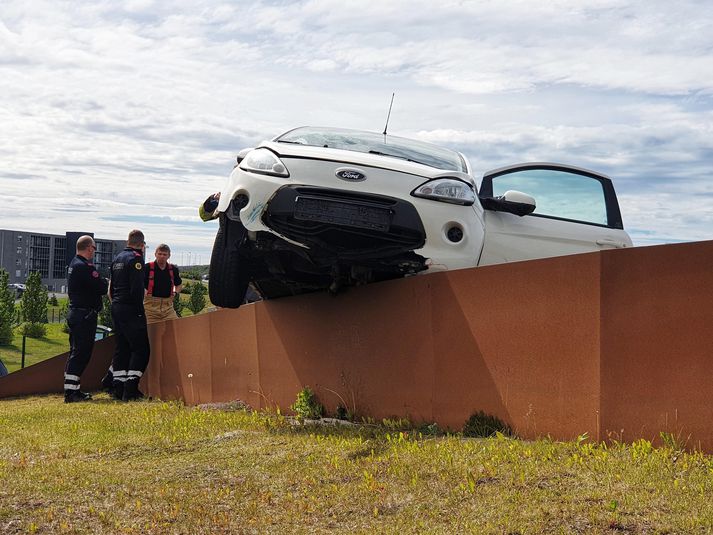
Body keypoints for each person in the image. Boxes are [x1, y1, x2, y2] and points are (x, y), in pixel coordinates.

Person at [64, 235, 109, 403]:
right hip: (84, 315)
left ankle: (72, 389)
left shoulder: (74, 264)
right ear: (89, 248)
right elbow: (102, 287)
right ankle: (71, 393)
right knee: (81, 353)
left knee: (75, 352)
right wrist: (104, 281)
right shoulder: (84, 267)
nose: (94, 252)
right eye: (94, 248)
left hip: (76, 313)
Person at [109, 229, 150, 401]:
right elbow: (137, 289)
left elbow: (111, 289)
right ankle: (131, 389)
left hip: (117, 306)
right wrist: (139, 311)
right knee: (141, 349)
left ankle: (118, 388)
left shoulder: (117, 259)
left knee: (122, 348)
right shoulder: (136, 259)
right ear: (142, 245)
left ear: (128, 241)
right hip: (131, 308)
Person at [144, 244, 183, 323]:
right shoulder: (147, 268)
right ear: (155, 254)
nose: (162, 256)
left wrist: (176, 293)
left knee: (177, 329)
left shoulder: (173, 269)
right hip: (150, 310)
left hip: (168, 309)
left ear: (169, 256)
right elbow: (139, 283)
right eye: (160, 254)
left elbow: (179, 284)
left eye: (164, 254)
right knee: (150, 333)